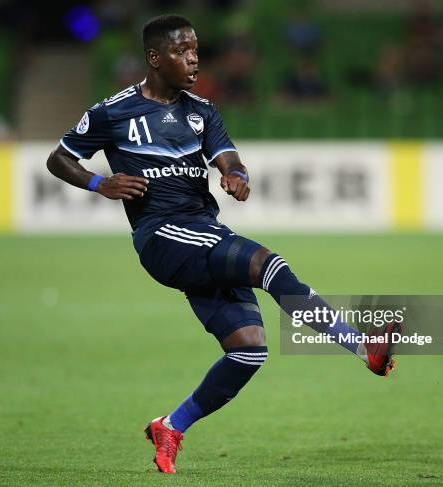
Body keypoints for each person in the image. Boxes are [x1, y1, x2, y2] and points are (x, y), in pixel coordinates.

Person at [46, 14, 400, 475]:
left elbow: (229, 158)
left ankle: (170, 425)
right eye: (181, 50)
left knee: (248, 349)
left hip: (202, 233)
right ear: (155, 58)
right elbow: (59, 158)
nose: (193, 58)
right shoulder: (113, 112)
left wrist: (236, 175)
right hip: (162, 235)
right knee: (268, 265)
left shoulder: (202, 111)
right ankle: (364, 349)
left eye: (196, 49)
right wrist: (99, 183)